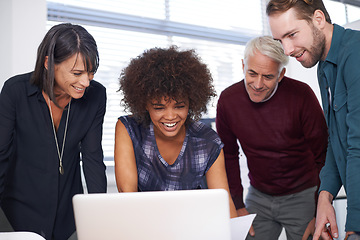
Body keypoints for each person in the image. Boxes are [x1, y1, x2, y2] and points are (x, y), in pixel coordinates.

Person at [0, 23, 107, 240]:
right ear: (49, 63)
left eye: (91, 72)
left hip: (68, 220)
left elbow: (92, 158)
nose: (86, 82)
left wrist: (99, 218)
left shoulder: (96, 96)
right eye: (77, 73)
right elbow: (0, 155)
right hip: (17, 218)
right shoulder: (15, 91)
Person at [216, 36, 328, 239]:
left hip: (304, 195)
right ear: (243, 65)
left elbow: (323, 154)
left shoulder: (302, 96)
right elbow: (229, 156)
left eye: (267, 76)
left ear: (281, 74)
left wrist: (318, 208)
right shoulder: (228, 100)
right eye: (252, 73)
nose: (257, 84)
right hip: (258, 196)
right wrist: (238, 206)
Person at [266, 0, 360, 239]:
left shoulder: (356, 53)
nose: (286, 50)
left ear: (318, 19)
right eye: (280, 40)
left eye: (292, 35)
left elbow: (358, 146)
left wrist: (355, 226)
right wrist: (325, 195)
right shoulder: (323, 66)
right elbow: (337, 139)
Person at [114, 46, 237, 218]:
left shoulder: (208, 141)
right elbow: (128, 196)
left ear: (191, 102)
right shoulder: (129, 129)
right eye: (159, 107)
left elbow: (223, 202)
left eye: (180, 106)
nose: (170, 116)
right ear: (144, 104)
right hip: (143, 223)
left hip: (192, 225)